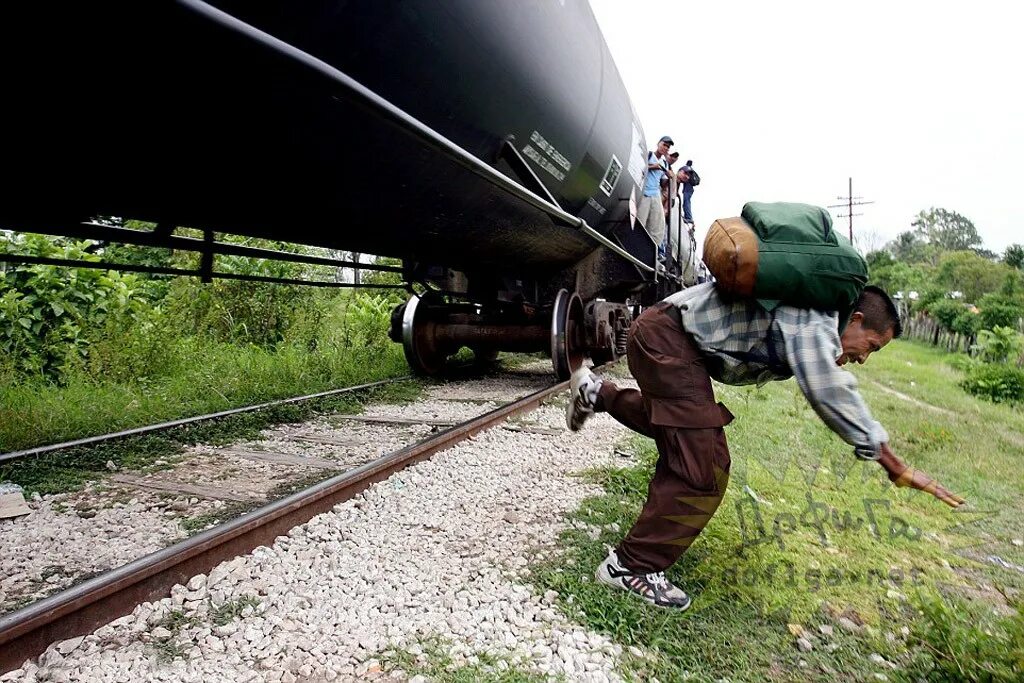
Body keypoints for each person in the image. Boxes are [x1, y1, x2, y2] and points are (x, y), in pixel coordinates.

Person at [565, 283, 965, 609]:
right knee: (705, 469)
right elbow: (830, 392)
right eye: (872, 346)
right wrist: (893, 464)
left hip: (661, 332)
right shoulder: (816, 321)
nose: (864, 358)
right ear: (856, 320)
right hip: (665, 339)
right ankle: (629, 567)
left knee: (678, 427)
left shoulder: (815, 315)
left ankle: (596, 393)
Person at [637, 136, 673, 258]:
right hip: (644, 192)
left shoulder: (665, 164)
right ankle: (635, 248)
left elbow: (662, 182)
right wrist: (653, 167)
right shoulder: (649, 155)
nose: (665, 148)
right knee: (640, 221)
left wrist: (669, 177)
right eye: (664, 145)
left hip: (655, 193)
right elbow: (639, 168)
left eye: (668, 147)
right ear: (658, 144)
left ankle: (653, 252)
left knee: (658, 224)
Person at [679, 159, 697, 226]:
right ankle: (688, 217)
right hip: (690, 189)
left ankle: (689, 217)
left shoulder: (687, 169)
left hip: (687, 189)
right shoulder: (692, 170)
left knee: (686, 202)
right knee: (687, 202)